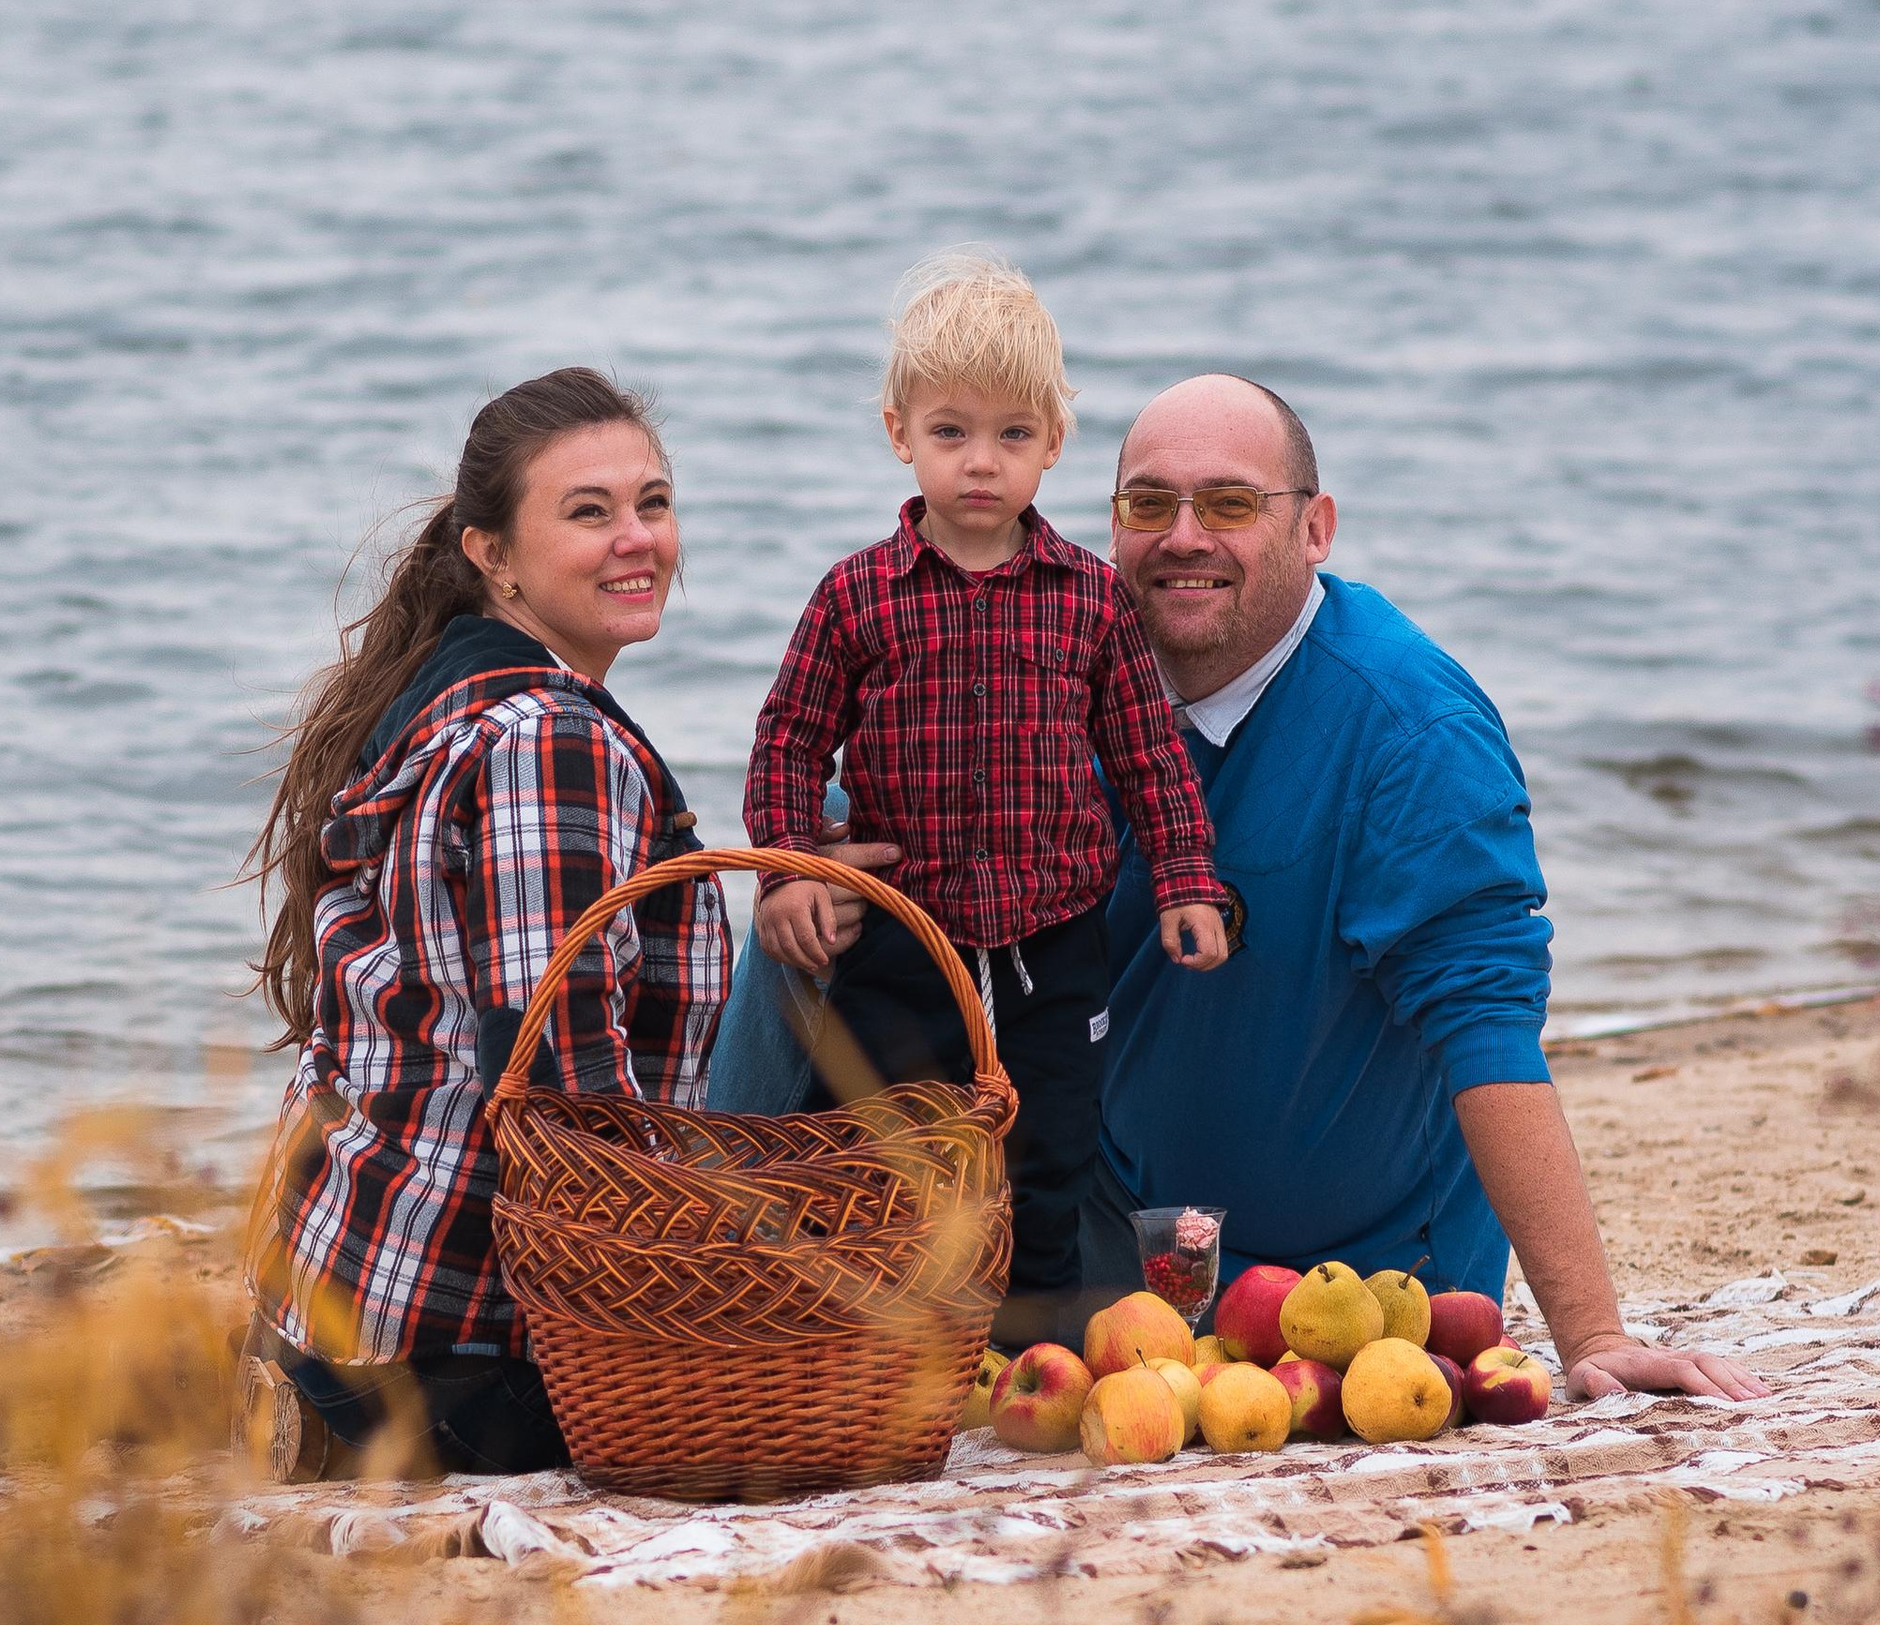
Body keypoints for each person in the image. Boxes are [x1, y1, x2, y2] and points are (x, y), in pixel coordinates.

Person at [717, 370, 1759, 1403]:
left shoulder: (1408, 730)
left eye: (1227, 504)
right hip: (1108, 1228)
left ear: (1316, 529)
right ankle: (711, 1273)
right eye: (1147, 504)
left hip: (1339, 1285)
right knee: (808, 903)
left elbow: (1486, 1023)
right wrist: (801, 862)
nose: (1182, 538)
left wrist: (1594, 1333)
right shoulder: (1069, 671)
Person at [242, 368, 730, 1480]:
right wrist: (713, 1280)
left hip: (341, 1300)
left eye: (652, 503)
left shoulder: (455, 689)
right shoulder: (550, 740)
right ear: (491, 553)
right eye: (588, 512)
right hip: (457, 1356)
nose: (636, 539)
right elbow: (558, 1087)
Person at [739, 254, 1231, 1349]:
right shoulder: (857, 593)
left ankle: (1031, 1340)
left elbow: (1148, 755)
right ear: (897, 431)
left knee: (1051, 1138)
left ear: (1054, 442)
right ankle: (884, 1343)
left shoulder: (1089, 597)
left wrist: (1186, 883)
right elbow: (787, 739)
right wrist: (787, 872)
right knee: (889, 1137)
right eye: (950, 431)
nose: (980, 461)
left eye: (1012, 435)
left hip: (1054, 934)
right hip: (902, 934)